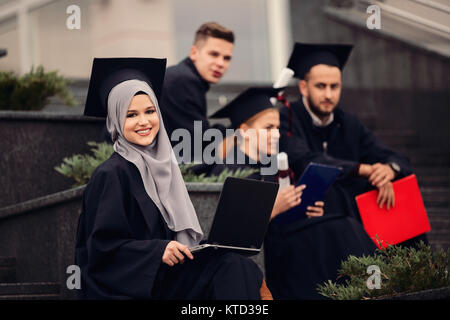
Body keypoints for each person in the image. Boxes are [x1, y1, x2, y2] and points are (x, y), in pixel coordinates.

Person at [75, 57, 266, 299]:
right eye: (131, 114)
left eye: (150, 111)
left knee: (237, 264)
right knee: (229, 270)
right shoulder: (111, 174)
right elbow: (101, 250)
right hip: (133, 283)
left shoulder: (165, 167)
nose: (144, 121)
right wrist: (157, 252)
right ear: (115, 119)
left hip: (165, 276)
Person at [209, 87, 376, 299]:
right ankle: (370, 287)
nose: (277, 135)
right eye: (268, 128)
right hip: (269, 254)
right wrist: (276, 207)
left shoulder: (267, 166)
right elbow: (228, 235)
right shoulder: (229, 169)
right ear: (244, 131)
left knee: (342, 224)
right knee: (338, 230)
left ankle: (372, 287)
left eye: (278, 128)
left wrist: (302, 209)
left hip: (285, 241)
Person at [279, 43, 428, 248]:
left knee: (398, 184)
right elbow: (306, 160)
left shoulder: (349, 123)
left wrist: (388, 170)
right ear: (304, 87)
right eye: (321, 86)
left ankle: (415, 272)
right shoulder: (286, 118)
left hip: (355, 213)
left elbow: (393, 157)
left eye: (335, 86)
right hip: (310, 214)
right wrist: (364, 169)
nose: (329, 95)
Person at [159, 22, 234, 163]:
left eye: (226, 58)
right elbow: (198, 144)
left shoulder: (184, 77)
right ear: (194, 53)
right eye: (214, 54)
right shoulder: (183, 81)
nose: (220, 63)